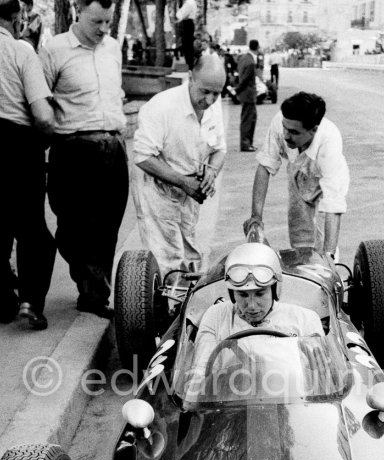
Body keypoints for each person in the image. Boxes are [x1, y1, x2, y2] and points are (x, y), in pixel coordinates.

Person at [40, 0, 129, 319]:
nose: (104, 30)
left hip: (113, 147)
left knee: (108, 224)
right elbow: (41, 98)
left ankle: (93, 295)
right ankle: (91, 281)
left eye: (108, 22)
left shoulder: (113, 48)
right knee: (71, 225)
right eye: (97, 22)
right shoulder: (54, 49)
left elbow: (115, 92)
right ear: (78, 12)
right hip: (73, 147)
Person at [132, 53, 226, 303]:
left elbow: (219, 150)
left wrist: (212, 172)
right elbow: (142, 157)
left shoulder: (214, 106)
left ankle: (190, 309)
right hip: (158, 191)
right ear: (191, 78)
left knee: (192, 255)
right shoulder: (161, 107)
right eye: (205, 91)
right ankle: (165, 316)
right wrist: (183, 181)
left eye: (216, 94)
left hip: (191, 193)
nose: (209, 100)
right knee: (167, 259)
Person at [0, 0, 55, 330]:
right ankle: (30, 302)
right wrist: (46, 139)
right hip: (16, 145)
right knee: (33, 231)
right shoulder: (20, 51)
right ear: (16, 18)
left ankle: (2, 300)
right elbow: (43, 116)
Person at [191, 241, 324, 379]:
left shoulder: (305, 319)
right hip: (230, 397)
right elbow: (200, 370)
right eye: (242, 294)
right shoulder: (216, 316)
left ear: (275, 289)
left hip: (292, 396)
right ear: (232, 293)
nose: (252, 305)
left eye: (260, 294)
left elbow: (321, 377)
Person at [243, 92, 349, 259]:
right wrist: (256, 217)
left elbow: (333, 206)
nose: (285, 135)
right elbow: (265, 165)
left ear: (313, 130)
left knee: (324, 249)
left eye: (293, 132)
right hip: (298, 170)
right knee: (300, 238)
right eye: (285, 128)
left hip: (325, 178)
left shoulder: (330, 143)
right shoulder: (282, 120)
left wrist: (329, 259)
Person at [236, 38, 259, 152]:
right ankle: (245, 143)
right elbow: (246, 79)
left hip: (245, 94)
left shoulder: (243, 58)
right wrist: (238, 89)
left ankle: (248, 142)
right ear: (257, 48)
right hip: (248, 93)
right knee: (248, 119)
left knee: (251, 118)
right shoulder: (251, 61)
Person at [175, 0, 197, 69]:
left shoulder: (190, 2)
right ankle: (189, 64)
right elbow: (179, 14)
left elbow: (181, 14)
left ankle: (190, 65)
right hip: (186, 23)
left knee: (187, 45)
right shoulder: (188, 3)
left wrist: (180, 16)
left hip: (187, 23)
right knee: (186, 44)